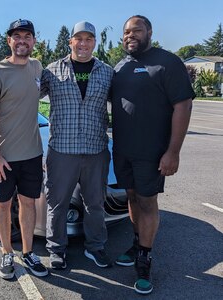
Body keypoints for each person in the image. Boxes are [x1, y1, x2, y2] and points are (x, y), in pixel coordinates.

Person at [111, 15, 194, 295]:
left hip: (152, 152)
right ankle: (137, 243)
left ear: (149, 32)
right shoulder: (120, 67)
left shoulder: (167, 62)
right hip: (123, 150)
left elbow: (182, 106)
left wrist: (173, 151)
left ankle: (145, 258)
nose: (130, 35)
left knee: (147, 202)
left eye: (136, 30)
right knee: (132, 198)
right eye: (126, 32)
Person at [0, 19, 48, 280]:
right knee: (3, 204)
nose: (22, 41)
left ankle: (28, 253)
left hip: (32, 154)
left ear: (33, 41)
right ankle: (7, 252)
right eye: (16, 36)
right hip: (4, 157)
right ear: (9, 41)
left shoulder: (37, 67)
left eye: (27, 36)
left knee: (28, 203)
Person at [41, 21, 113, 270]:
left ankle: (95, 247)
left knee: (95, 204)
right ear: (70, 41)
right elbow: (26, 97)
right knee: (57, 203)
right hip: (62, 151)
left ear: (95, 42)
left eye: (89, 39)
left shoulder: (107, 72)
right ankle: (56, 249)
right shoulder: (51, 71)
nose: (83, 44)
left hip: (96, 151)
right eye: (78, 39)